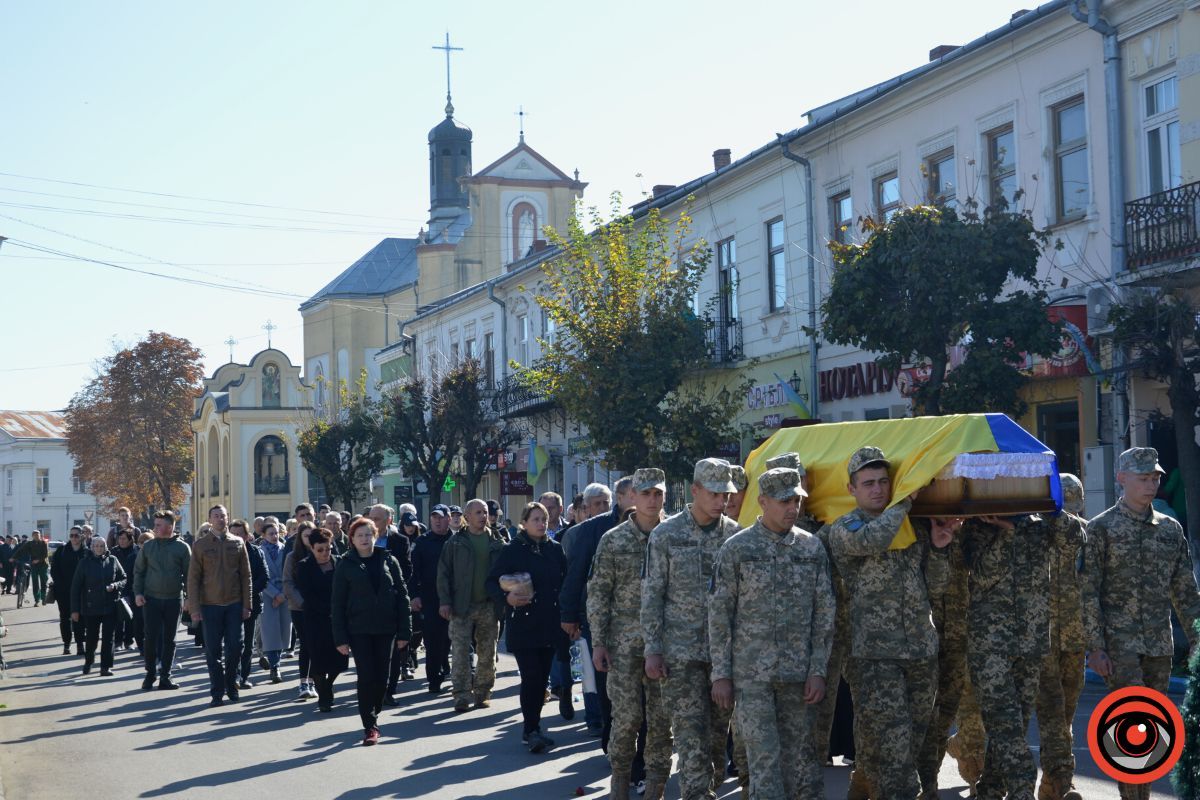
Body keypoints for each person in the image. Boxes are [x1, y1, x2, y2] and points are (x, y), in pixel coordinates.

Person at [827, 446, 950, 800]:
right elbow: (874, 538)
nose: (878, 489)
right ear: (852, 490)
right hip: (875, 656)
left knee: (912, 740)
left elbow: (936, 587)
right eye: (868, 483)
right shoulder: (846, 528)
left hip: (920, 649)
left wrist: (940, 547)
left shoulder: (911, 528)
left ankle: (870, 787)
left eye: (884, 481)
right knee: (893, 745)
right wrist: (905, 500)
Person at [710, 467, 836, 799]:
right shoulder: (737, 549)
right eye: (784, 501)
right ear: (763, 501)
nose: (792, 508)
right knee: (764, 764)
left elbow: (824, 614)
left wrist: (818, 670)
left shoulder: (811, 548)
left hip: (798, 678)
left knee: (797, 766)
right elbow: (720, 616)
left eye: (796, 500)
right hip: (752, 679)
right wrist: (721, 674)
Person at [1082, 447, 1200, 800]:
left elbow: (1185, 590)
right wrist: (1095, 647)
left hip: (1159, 648)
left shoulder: (1169, 530)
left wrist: (1197, 639)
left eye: (1154, 478)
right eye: (1143, 478)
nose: (1150, 484)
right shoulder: (1101, 529)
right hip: (1120, 649)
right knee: (1130, 725)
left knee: (1154, 729)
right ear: (1121, 479)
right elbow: (1087, 590)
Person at [642, 459, 746, 800]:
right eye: (714, 493)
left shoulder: (736, 536)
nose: (721, 501)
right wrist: (653, 649)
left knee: (717, 740)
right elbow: (652, 594)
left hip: (723, 659)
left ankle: (706, 792)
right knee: (691, 740)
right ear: (695, 491)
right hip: (680, 656)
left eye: (726, 494)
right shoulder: (666, 535)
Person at [588, 469, 673, 799]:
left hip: (666, 644)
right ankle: (620, 783)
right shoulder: (614, 539)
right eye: (646, 493)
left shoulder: (674, 536)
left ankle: (655, 787)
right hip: (623, 645)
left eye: (659, 494)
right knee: (626, 719)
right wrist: (598, 643)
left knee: (661, 722)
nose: (653, 500)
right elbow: (598, 594)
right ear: (632, 497)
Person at [486, 501, 569, 753]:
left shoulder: (554, 549)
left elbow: (565, 582)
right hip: (524, 624)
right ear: (523, 523)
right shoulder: (513, 550)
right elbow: (491, 582)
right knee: (531, 677)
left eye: (544, 519)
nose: (541, 524)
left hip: (550, 623)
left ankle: (535, 726)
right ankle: (530, 730)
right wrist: (506, 599)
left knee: (541, 679)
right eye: (535, 519)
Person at [561, 478, 633, 740]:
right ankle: (604, 727)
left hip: (639, 621)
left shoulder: (657, 527)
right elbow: (576, 573)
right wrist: (569, 615)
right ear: (622, 497)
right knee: (601, 677)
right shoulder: (594, 529)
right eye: (635, 493)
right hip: (599, 617)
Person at [332, 517, 411, 746]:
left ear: (375, 536)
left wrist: (405, 631)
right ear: (352, 540)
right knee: (366, 676)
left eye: (368, 534)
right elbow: (337, 604)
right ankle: (370, 725)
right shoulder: (345, 564)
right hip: (359, 629)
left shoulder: (388, 560)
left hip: (386, 628)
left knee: (383, 679)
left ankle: (374, 712)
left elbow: (402, 596)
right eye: (360, 536)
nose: (365, 539)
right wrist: (340, 638)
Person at [1035, 474, 1088, 800]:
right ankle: (1065, 782)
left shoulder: (1086, 534)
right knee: (1054, 714)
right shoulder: (1035, 533)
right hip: (1042, 640)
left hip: (1075, 638)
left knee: (1065, 715)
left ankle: (1051, 785)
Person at [438, 498, 504, 713]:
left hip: (488, 605)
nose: (483, 515)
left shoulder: (497, 540)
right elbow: (444, 572)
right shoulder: (455, 543)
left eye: (485, 511)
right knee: (459, 651)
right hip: (461, 604)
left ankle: (483, 692)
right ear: (466, 517)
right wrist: (445, 601)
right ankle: (461, 694)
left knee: (487, 651)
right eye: (478, 512)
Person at [187, 504, 252, 707]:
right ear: (210, 519)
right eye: (216, 516)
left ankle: (231, 684)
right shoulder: (200, 545)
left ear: (227, 518)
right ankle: (217, 691)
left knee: (235, 648)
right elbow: (193, 579)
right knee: (213, 651)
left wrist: (247, 604)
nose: (220, 519)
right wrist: (195, 608)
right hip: (210, 605)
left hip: (234, 603)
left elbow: (246, 576)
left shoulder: (238, 543)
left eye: (223, 516)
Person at [134, 510, 191, 690]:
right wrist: (138, 593)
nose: (155, 528)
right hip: (151, 600)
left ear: (169, 526)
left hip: (174, 600)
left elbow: (189, 576)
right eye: (155, 524)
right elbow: (139, 572)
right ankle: (150, 674)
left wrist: (189, 598)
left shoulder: (182, 548)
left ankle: (165, 676)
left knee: (170, 640)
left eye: (158, 525)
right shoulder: (148, 547)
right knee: (150, 638)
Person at [296, 527, 348, 712]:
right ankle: (323, 694)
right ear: (312, 548)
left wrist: (339, 610)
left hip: (338, 618)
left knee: (338, 659)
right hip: (314, 619)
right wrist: (327, 610)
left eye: (328, 548)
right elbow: (307, 594)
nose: (325, 553)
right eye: (320, 550)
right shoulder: (304, 566)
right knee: (318, 659)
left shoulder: (339, 562)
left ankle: (328, 685)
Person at [70, 535, 127, 676]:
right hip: (91, 607)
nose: (99, 548)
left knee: (109, 638)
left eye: (102, 546)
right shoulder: (84, 563)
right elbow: (75, 587)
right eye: (96, 546)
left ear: (105, 547)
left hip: (110, 606)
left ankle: (106, 667)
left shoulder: (113, 560)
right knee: (91, 638)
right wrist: (75, 610)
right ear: (92, 547)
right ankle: (89, 662)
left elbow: (124, 578)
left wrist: (115, 585)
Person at [411, 505, 453, 693]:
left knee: (450, 640)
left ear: (449, 519)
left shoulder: (457, 540)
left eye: (441, 517)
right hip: (430, 599)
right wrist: (414, 595)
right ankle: (434, 680)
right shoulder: (422, 542)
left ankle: (448, 668)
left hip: (455, 598)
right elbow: (413, 572)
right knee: (433, 641)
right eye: (433, 517)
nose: (437, 520)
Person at [230, 519, 268, 690]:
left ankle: (244, 676)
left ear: (247, 536)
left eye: (239, 534)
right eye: (233, 534)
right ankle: (233, 674)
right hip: (229, 603)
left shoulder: (256, 552)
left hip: (251, 603)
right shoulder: (225, 552)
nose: (236, 537)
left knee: (247, 643)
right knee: (233, 642)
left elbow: (264, 576)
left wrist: (249, 593)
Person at [283, 521, 317, 700]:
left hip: (319, 608)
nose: (310, 539)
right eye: (306, 536)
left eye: (313, 535)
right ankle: (304, 681)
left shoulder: (322, 553)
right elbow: (287, 583)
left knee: (317, 644)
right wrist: (302, 602)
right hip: (299, 608)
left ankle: (315, 680)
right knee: (306, 643)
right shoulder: (292, 557)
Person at [259, 521, 293, 684]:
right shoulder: (260, 551)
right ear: (264, 535)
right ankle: (275, 666)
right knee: (271, 633)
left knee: (282, 631)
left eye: (276, 533)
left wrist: (283, 594)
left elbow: (291, 573)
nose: (274, 536)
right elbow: (261, 577)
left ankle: (275, 662)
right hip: (268, 595)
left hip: (285, 594)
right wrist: (274, 594)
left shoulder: (286, 549)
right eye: (270, 533)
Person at [50, 526, 88, 655]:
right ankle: (66, 644)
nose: (73, 538)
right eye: (71, 535)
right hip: (64, 591)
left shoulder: (87, 552)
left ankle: (80, 644)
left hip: (81, 591)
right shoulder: (62, 551)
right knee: (65, 618)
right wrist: (61, 585)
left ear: (82, 536)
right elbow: (54, 570)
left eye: (76, 535)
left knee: (80, 618)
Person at [111, 529, 143, 652]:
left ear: (130, 539)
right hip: (118, 588)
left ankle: (129, 641)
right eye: (120, 538)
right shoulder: (114, 551)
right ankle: (118, 642)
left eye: (124, 539)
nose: (121, 541)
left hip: (133, 587)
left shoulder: (137, 551)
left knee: (131, 616)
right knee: (119, 617)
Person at [22, 530, 49, 606]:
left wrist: (38, 560)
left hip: (43, 565)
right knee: (35, 583)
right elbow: (23, 551)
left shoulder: (44, 543)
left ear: (40, 535)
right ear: (32, 536)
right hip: (34, 566)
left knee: (43, 582)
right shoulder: (30, 543)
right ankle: (36, 600)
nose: (37, 536)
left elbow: (46, 554)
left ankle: (43, 598)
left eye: (38, 535)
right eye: (35, 535)